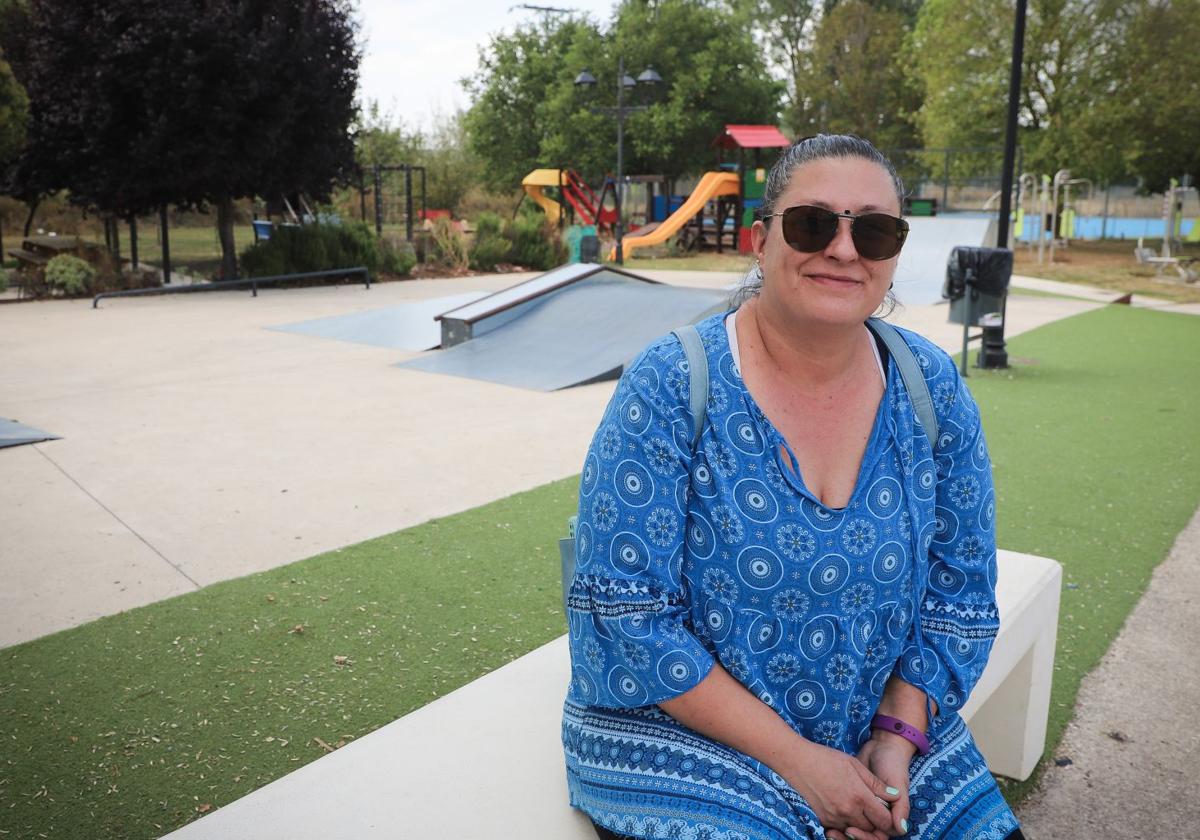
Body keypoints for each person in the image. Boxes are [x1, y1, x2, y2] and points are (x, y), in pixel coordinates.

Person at [562, 134, 1023, 840]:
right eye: (813, 224)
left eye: (873, 231)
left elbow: (957, 593)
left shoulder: (932, 387)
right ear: (760, 239)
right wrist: (803, 766)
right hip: (679, 732)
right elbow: (629, 616)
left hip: (872, 720)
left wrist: (896, 737)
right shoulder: (671, 382)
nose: (844, 250)